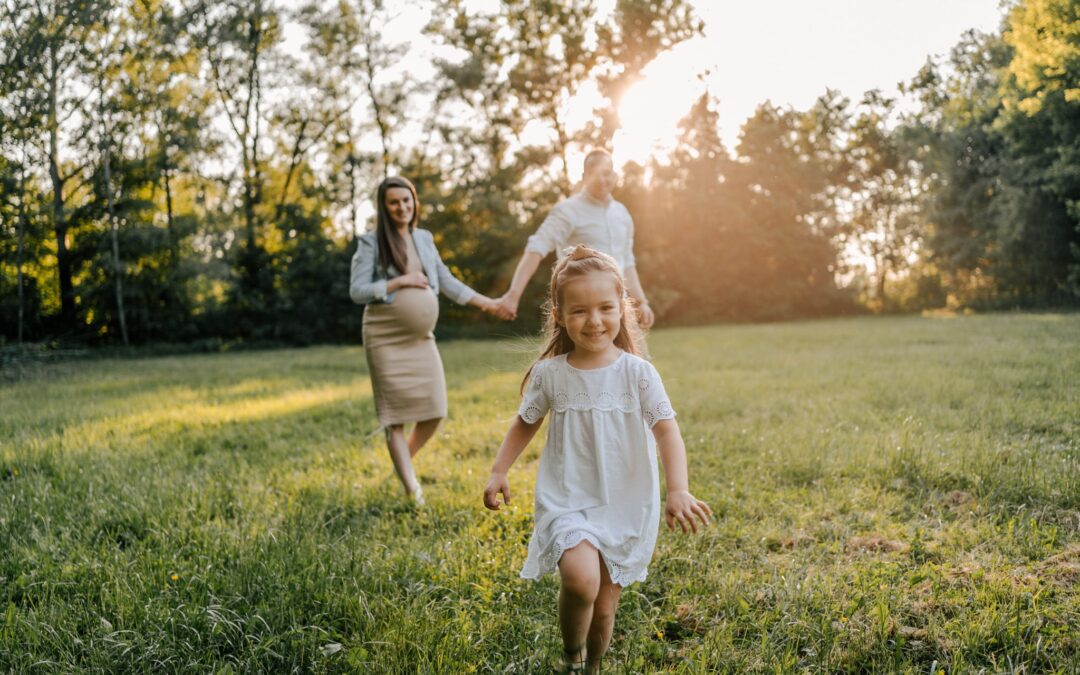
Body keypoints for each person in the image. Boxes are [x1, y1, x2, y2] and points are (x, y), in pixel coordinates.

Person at [483, 245, 712, 672]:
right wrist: (499, 470)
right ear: (559, 314)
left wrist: (678, 488)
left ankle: (593, 666)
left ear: (622, 308)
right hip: (569, 497)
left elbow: (667, 429)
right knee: (580, 579)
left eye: (606, 308)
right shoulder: (552, 374)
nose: (594, 321)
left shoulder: (637, 372)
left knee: (605, 609)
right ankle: (571, 657)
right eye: (580, 311)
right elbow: (525, 422)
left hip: (626, 501)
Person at [351, 176, 504, 504]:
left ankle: (401, 460)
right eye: (394, 202)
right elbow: (357, 290)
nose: (402, 207)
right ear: (384, 206)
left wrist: (488, 303)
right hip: (384, 337)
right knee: (394, 418)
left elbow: (446, 280)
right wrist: (398, 282)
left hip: (421, 337)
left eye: (407, 201)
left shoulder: (424, 238)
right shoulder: (371, 243)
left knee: (435, 410)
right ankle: (413, 492)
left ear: (414, 202)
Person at [495, 149, 655, 330]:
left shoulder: (622, 213)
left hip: (617, 309)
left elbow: (626, 262)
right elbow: (537, 247)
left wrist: (641, 302)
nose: (602, 180)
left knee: (632, 358)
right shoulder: (567, 210)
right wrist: (513, 294)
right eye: (595, 175)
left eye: (606, 174)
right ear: (584, 177)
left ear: (615, 175)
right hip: (580, 311)